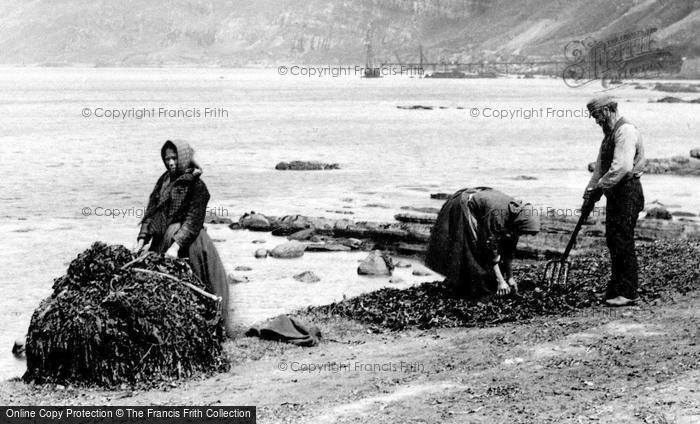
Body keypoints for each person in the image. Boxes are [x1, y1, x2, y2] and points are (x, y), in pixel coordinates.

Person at [135, 139, 232, 335]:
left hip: (190, 240)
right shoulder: (163, 182)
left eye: (174, 158)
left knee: (202, 283)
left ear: (184, 158)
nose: (170, 162)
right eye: (167, 158)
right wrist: (141, 240)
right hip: (163, 237)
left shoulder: (197, 186)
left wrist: (175, 246)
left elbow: (193, 220)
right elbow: (151, 212)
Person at [583, 96, 646, 307]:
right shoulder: (608, 136)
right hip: (616, 194)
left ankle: (628, 292)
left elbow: (623, 167)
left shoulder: (625, 131)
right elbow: (600, 169)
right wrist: (588, 195)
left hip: (628, 193)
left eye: (597, 116)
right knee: (613, 239)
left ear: (608, 111)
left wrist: (600, 188)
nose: (596, 121)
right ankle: (617, 288)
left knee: (622, 240)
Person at [425, 188, 540, 298]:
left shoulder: (516, 220)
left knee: (493, 251)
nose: (522, 235)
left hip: (485, 206)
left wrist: (510, 277)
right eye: (524, 232)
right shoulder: (498, 216)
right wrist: (500, 280)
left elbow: (509, 249)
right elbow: (491, 247)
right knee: (473, 248)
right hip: (466, 204)